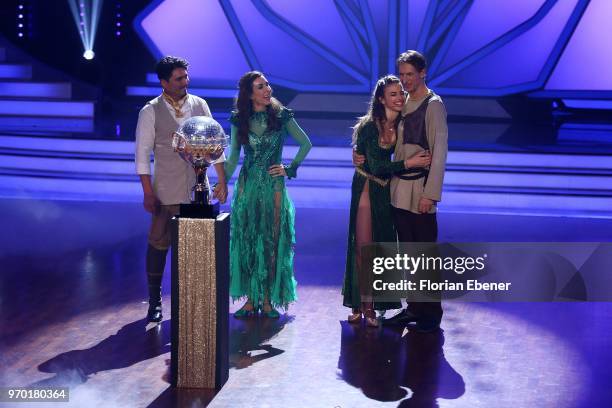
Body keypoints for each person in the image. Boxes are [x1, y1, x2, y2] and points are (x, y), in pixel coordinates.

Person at [355, 50, 448, 332]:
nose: (406, 80)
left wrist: (430, 194)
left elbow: (440, 151)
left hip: (420, 189)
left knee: (424, 253)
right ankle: (414, 307)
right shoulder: (404, 102)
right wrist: (360, 155)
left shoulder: (433, 105)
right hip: (397, 190)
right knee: (408, 253)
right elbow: (381, 136)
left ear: (423, 73)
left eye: (411, 74)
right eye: (403, 74)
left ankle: (430, 313)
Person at [135, 56, 228, 323]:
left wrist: (221, 180)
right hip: (167, 188)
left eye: (186, 77)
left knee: (198, 247)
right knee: (159, 244)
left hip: (199, 189)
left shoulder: (200, 104)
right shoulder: (150, 111)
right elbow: (142, 154)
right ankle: (154, 301)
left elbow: (215, 143)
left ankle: (195, 303)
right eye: (179, 78)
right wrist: (148, 192)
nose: (185, 82)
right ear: (164, 82)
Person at [221, 71, 312, 318]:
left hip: (274, 186)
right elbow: (232, 158)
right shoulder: (239, 119)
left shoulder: (281, 115)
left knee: (271, 241)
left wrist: (289, 168)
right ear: (250, 94)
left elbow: (306, 143)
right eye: (261, 87)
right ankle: (251, 300)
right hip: (248, 186)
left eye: (268, 85)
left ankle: (269, 300)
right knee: (248, 239)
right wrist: (220, 182)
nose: (267, 89)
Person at [343, 75, 432, 327]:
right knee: (363, 248)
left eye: (401, 93)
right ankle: (364, 306)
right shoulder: (370, 126)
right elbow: (376, 165)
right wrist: (408, 164)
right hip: (367, 187)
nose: (399, 98)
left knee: (381, 248)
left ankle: (374, 303)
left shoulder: (405, 124)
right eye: (393, 94)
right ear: (381, 99)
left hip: (389, 192)